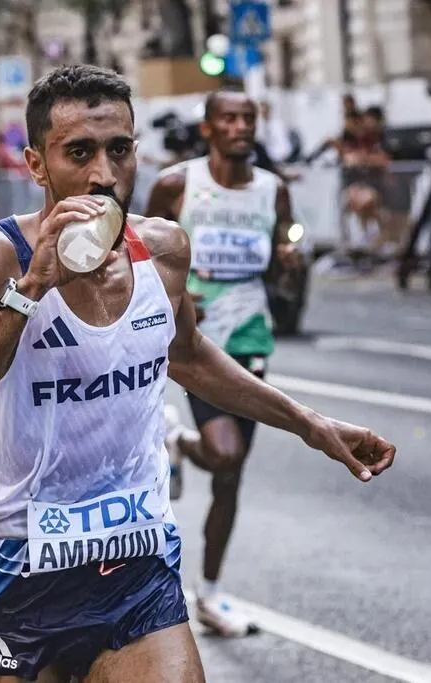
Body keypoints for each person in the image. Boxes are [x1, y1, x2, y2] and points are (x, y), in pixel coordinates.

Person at [0, 65, 396, 683]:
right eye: (79, 153)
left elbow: (188, 355)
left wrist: (310, 423)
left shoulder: (162, 250)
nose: (104, 176)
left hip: (134, 557)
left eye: (119, 150)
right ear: (37, 165)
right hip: (15, 566)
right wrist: (32, 288)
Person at [144, 89, 304, 638]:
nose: (240, 127)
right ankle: (187, 443)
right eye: (229, 119)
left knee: (231, 476)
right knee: (224, 451)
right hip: (196, 342)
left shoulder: (272, 191)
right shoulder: (177, 185)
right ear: (208, 128)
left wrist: (290, 262)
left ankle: (210, 594)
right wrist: (180, 297)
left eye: (248, 118)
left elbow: (284, 272)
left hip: (252, 334)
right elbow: (137, 256)